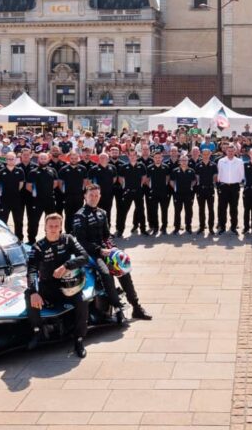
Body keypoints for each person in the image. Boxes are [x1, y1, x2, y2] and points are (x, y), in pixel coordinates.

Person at [72, 184, 151, 320]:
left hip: (105, 250)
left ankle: (136, 307)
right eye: (91, 195)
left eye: (97, 195)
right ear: (85, 196)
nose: (94, 198)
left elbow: (107, 235)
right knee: (106, 273)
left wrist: (113, 248)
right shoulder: (80, 216)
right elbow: (80, 241)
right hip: (90, 253)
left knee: (123, 269)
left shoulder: (102, 213)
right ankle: (117, 305)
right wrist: (100, 250)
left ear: (100, 196)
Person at [25, 213, 89, 357]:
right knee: (29, 294)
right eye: (50, 226)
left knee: (82, 302)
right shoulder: (37, 247)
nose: (53, 229)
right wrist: (34, 291)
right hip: (47, 287)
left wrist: (66, 266)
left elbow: (84, 257)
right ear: (45, 228)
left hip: (67, 285)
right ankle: (37, 331)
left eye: (56, 226)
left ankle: (79, 339)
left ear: (61, 227)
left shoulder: (68, 239)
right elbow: (31, 270)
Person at [26, 152, 60, 243]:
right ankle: (31, 240)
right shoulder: (33, 172)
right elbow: (28, 186)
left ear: (48, 159)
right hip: (36, 201)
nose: (43, 160)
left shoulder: (52, 170)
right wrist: (38, 193)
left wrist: (47, 191)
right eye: (41, 158)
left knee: (51, 221)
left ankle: (50, 239)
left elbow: (55, 183)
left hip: (50, 200)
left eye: (45, 158)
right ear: (38, 160)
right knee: (34, 221)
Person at [0, 152, 27, 240]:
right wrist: (4, 194)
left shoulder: (20, 170)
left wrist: (14, 192)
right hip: (4, 200)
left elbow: (21, 185)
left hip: (17, 200)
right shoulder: (0, 172)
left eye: (12, 159)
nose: (10, 160)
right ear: (6, 160)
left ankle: (19, 239)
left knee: (18, 221)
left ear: (15, 159)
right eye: (8, 159)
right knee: (3, 221)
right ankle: (3, 239)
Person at [116, 149, 147, 237]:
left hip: (138, 192)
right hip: (127, 192)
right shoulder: (124, 166)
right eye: (131, 155)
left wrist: (140, 185)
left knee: (141, 211)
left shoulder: (141, 165)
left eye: (134, 155)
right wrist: (125, 187)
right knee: (123, 212)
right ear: (128, 156)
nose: (132, 157)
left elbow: (144, 177)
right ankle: (120, 230)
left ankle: (143, 229)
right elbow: (120, 178)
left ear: (137, 156)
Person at [216, 146, 245, 234]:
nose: (231, 153)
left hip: (234, 187)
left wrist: (235, 181)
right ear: (226, 151)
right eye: (229, 151)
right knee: (222, 208)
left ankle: (233, 227)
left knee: (234, 208)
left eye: (232, 151)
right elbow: (219, 173)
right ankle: (222, 227)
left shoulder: (239, 161)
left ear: (235, 151)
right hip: (223, 186)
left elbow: (241, 174)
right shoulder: (221, 161)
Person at [59, 152, 89, 233]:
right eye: (72, 158)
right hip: (68, 196)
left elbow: (85, 182)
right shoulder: (63, 169)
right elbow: (60, 183)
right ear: (69, 159)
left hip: (79, 196)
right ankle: (68, 232)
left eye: (75, 158)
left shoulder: (83, 168)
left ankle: (77, 231)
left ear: (78, 158)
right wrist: (64, 192)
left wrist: (83, 192)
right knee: (68, 215)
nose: (74, 160)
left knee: (78, 214)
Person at [144, 152, 171, 235]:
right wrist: (151, 187)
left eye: (159, 157)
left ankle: (164, 227)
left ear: (162, 158)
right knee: (154, 211)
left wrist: (164, 186)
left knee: (164, 210)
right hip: (154, 192)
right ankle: (156, 227)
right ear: (153, 158)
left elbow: (168, 178)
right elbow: (147, 180)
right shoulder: (149, 167)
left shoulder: (166, 167)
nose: (158, 159)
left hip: (163, 192)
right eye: (156, 157)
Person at [193, 149, 218, 235]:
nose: (206, 155)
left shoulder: (214, 165)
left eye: (207, 154)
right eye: (204, 154)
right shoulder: (198, 165)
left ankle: (211, 228)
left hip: (210, 189)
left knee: (211, 209)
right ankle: (202, 227)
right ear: (201, 154)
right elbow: (196, 177)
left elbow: (215, 177)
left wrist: (213, 183)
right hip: (200, 190)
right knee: (201, 209)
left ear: (210, 154)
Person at [170, 154, 197, 233]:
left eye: (185, 160)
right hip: (178, 194)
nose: (184, 162)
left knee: (188, 211)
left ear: (188, 161)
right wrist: (175, 188)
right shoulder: (175, 170)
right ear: (179, 161)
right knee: (177, 211)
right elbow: (171, 181)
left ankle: (188, 227)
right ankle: (177, 227)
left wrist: (191, 186)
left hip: (188, 194)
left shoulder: (191, 170)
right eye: (182, 160)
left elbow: (194, 180)